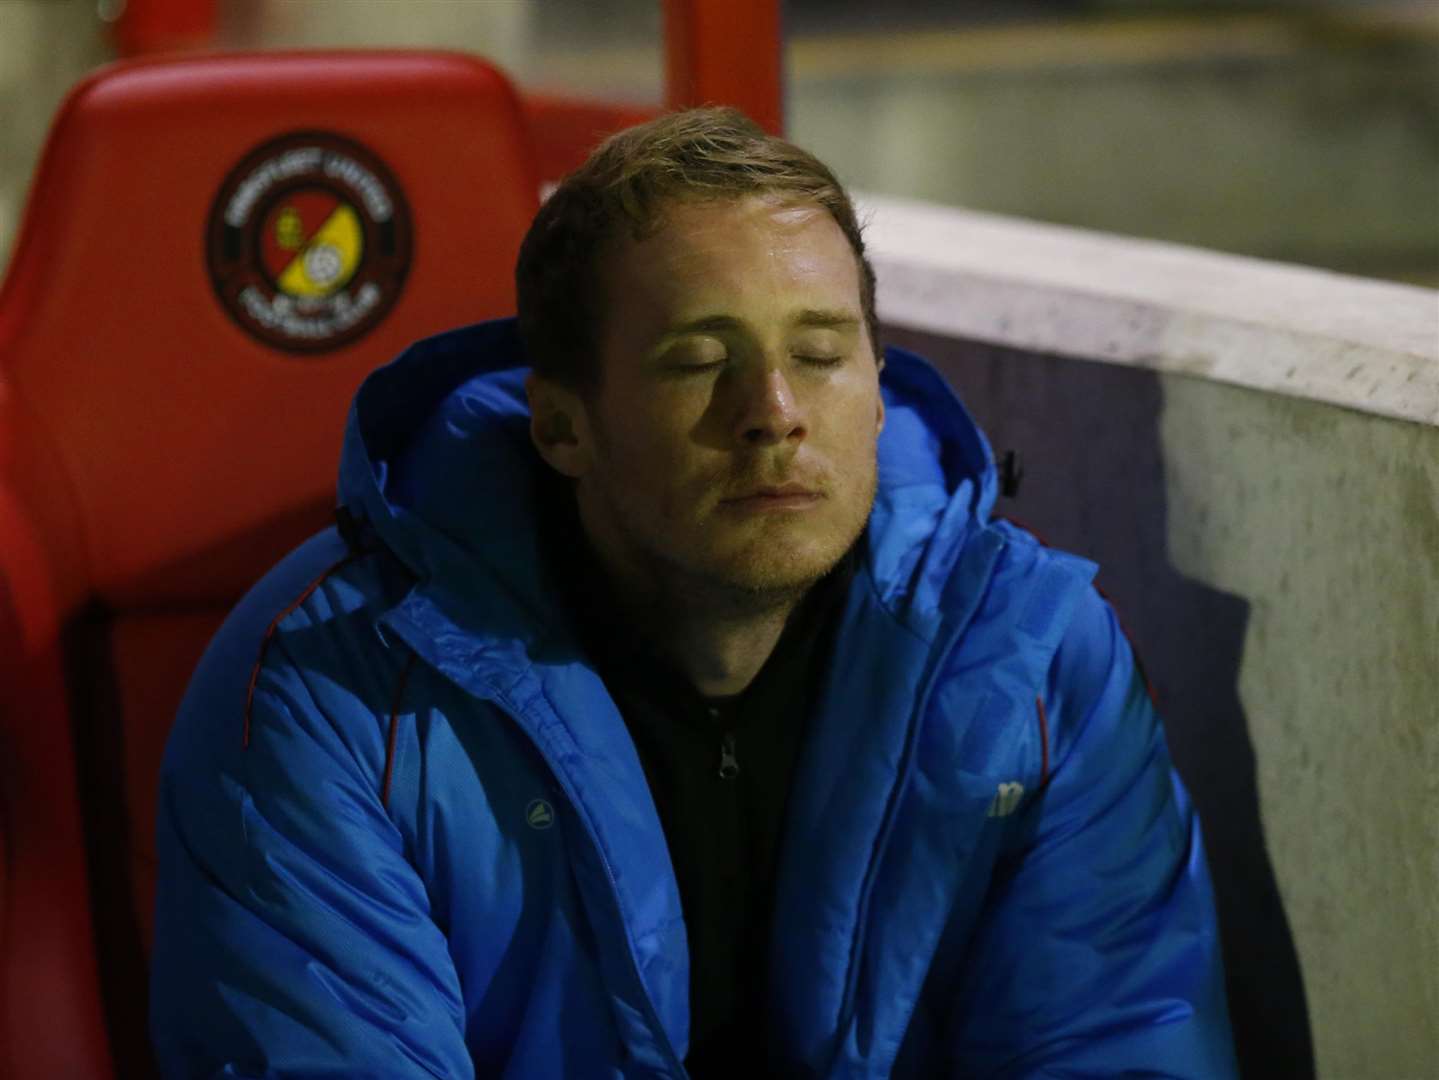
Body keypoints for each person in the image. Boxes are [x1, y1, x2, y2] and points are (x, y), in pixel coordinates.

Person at [149, 107, 1238, 1078]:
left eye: (817, 353)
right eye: (695, 359)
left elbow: (1121, 1039)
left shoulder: (1035, 662)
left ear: (873, 394)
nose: (772, 411)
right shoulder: (332, 696)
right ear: (563, 425)